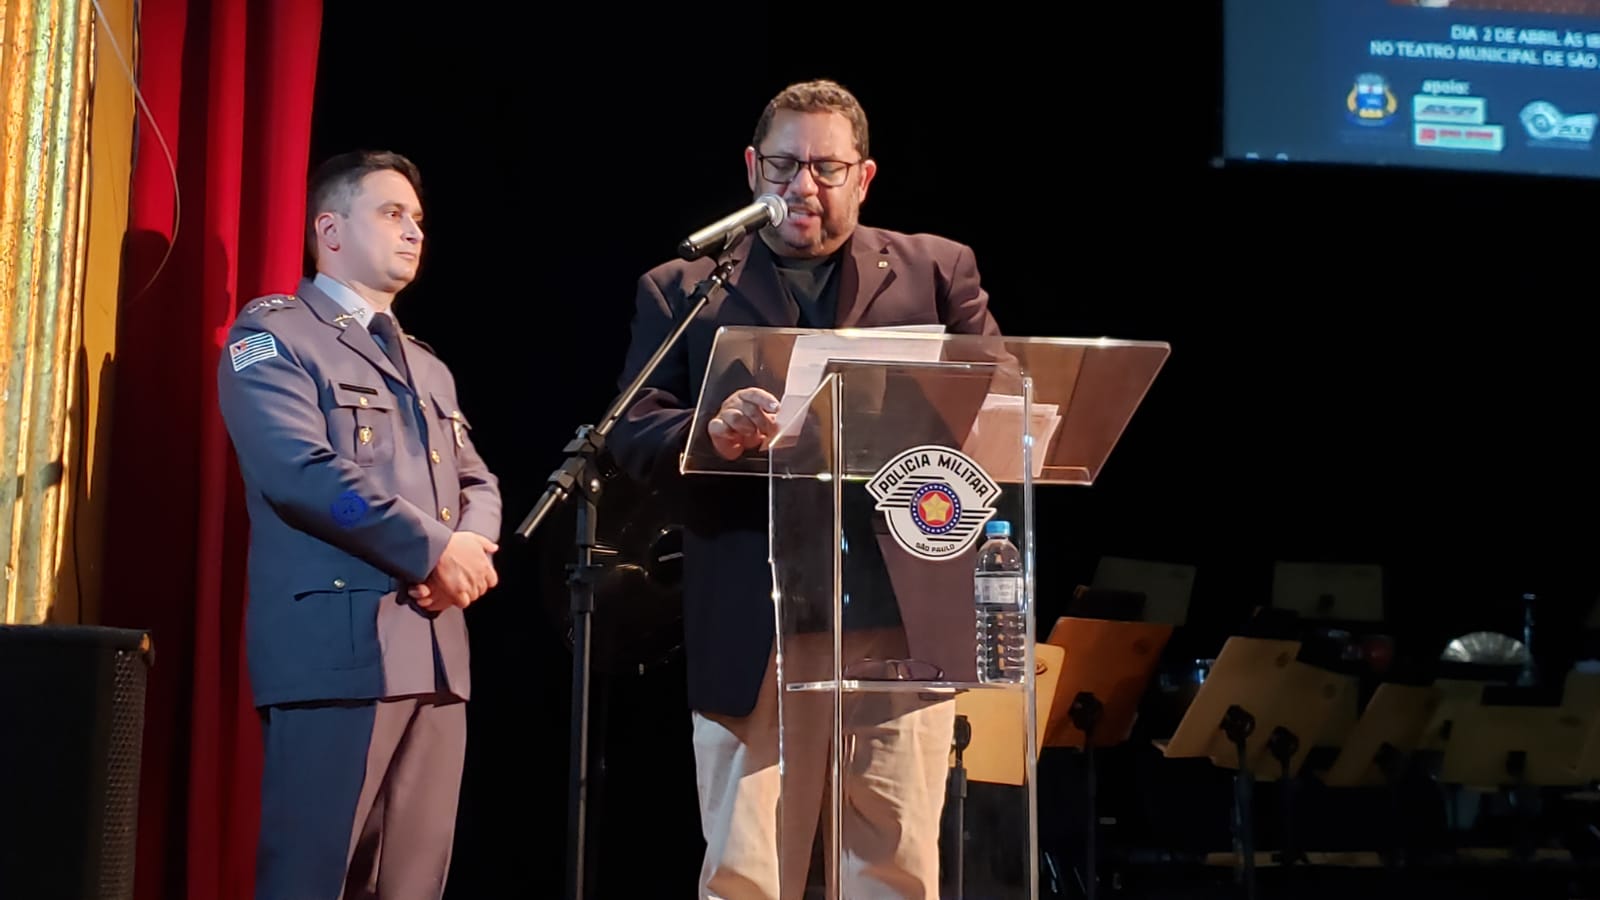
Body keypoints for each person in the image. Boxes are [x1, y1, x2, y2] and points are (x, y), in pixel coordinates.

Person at [608, 79, 1001, 899]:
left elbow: (1002, 400)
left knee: (896, 857)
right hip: (756, 604)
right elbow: (631, 427)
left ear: (865, 177)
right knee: (747, 864)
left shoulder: (935, 270)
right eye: (784, 166)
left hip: (899, 603)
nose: (803, 187)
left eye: (827, 168)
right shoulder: (686, 287)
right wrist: (709, 431)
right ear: (753, 168)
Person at [216, 150, 501, 900]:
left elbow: (478, 481)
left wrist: (470, 548)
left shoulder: (428, 366)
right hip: (339, 651)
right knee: (314, 878)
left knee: (411, 882)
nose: (414, 232)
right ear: (330, 230)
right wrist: (433, 550)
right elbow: (301, 475)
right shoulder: (273, 336)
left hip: (435, 651)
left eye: (418, 219)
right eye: (391, 213)